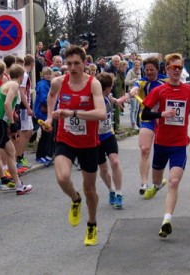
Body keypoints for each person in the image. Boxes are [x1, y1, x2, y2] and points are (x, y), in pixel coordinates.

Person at [43, 46, 106, 246]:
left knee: (90, 189)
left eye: (76, 63)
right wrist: (49, 116)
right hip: (66, 138)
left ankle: (92, 224)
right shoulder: (58, 82)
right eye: (68, 63)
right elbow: (52, 96)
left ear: (84, 63)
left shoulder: (93, 84)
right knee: (62, 177)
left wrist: (73, 113)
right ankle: (75, 199)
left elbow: (101, 114)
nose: (72, 67)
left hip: (88, 143)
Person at [140, 53, 190, 238]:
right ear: (167, 69)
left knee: (174, 181)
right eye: (173, 68)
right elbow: (144, 114)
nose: (176, 71)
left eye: (179, 67)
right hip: (161, 144)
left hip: (179, 144)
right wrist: (161, 114)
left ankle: (166, 221)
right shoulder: (159, 91)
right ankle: (156, 185)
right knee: (157, 180)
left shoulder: (187, 90)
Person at [0, 64, 33, 196]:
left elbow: (6, 103)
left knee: (11, 152)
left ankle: (18, 185)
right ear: (21, 76)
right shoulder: (14, 85)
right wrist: (12, 123)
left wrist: (12, 115)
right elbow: (7, 103)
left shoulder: (8, 84)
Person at [127, 56, 168, 196]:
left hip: (163, 120)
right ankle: (144, 183)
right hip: (147, 119)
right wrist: (133, 91)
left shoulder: (165, 81)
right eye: (147, 70)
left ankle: (157, 179)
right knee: (144, 149)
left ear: (157, 69)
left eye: (152, 70)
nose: (149, 72)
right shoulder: (142, 81)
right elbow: (135, 87)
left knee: (162, 152)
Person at [96, 72, 128, 209]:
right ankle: (111, 190)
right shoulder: (94, 99)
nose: (112, 88)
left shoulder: (107, 96)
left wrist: (118, 101)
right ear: (107, 87)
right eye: (111, 86)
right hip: (95, 139)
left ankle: (119, 194)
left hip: (108, 135)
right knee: (103, 169)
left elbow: (112, 99)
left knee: (115, 162)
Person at [35, 67, 53, 163]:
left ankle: (44, 154)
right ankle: (39, 155)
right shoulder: (43, 85)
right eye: (47, 74)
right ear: (43, 75)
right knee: (44, 134)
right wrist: (53, 102)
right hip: (42, 112)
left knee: (47, 135)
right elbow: (43, 98)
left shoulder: (48, 84)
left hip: (46, 111)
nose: (49, 76)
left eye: (50, 74)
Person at [126, 60, 142, 128]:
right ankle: (133, 123)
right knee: (133, 108)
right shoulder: (130, 72)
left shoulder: (140, 72)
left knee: (137, 108)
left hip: (138, 92)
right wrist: (135, 80)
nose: (137, 67)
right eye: (136, 65)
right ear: (133, 65)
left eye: (138, 65)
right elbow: (126, 82)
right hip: (132, 91)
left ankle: (136, 122)